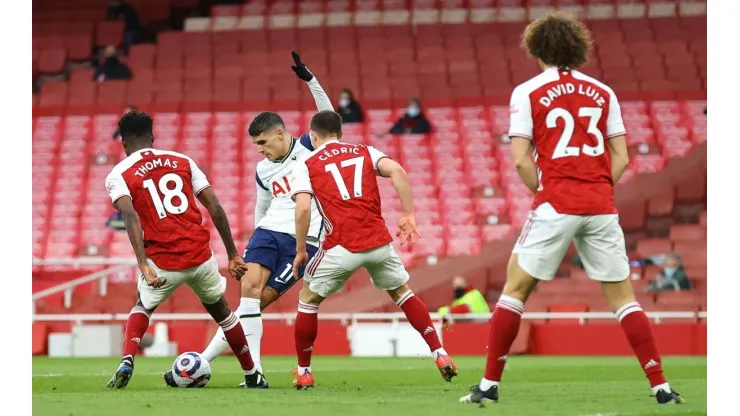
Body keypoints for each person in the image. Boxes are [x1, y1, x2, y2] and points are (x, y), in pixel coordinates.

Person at [458, 12, 683, 405]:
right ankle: (661, 388)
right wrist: (595, 186)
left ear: (536, 48)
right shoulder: (603, 92)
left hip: (555, 201)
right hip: (600, 204)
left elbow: (522, 160)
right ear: (578, 47)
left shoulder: (527, 92)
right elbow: (622, 156)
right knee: (624, 298)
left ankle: (488, 387)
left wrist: (547, 188)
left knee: (515, 291)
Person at [163, 52, 331, 388]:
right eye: (256, 145)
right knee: (248, 296)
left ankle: (201, 360)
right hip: (267, 234)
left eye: (264, 143)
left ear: (282, 134)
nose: (261, 150)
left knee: (258, 303)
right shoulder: (262, 169)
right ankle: (254, 375)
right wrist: (248, 245)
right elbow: (262, 206)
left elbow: (327, 116)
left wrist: (310, 81)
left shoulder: (308, 149)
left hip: (305, 241)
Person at [290, 110, 458, 389]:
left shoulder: (306, 163)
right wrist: (409, 214)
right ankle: (440, 354)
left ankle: (304, 371)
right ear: (340, 134)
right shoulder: (364, 150)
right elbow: (398, 171)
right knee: (403, 294)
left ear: (313, 135)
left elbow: (303, 207)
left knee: (308, 301)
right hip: (378, 242)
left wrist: (300, 249)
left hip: (340, 245)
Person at [104, 111, 265, 389]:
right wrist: (233, 254)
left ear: (124, 143)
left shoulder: (118, 174)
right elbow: (214, 206)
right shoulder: (183, 161)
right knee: (224, 314)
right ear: (151, 137)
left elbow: (130, 216)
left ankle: (127, 359)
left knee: (143, 305)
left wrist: (142, 263)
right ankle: (252, 374)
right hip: (199, 255)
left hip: (163, 261)